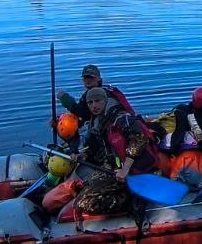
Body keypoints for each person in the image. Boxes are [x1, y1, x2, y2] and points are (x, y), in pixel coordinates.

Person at [57, 86, 159, 218]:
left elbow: (139, 139)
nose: (94, 106)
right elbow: (99, 148)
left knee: (83, 203)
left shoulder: (120, 118)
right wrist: (83, 155)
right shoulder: (97, 121)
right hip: (113, 168)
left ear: (105, 101)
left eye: (97, 101)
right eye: (90, 103)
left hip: (131, 170)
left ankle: (131, 201)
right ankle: (127, 192)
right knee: (86, 184)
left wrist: (125, 169)